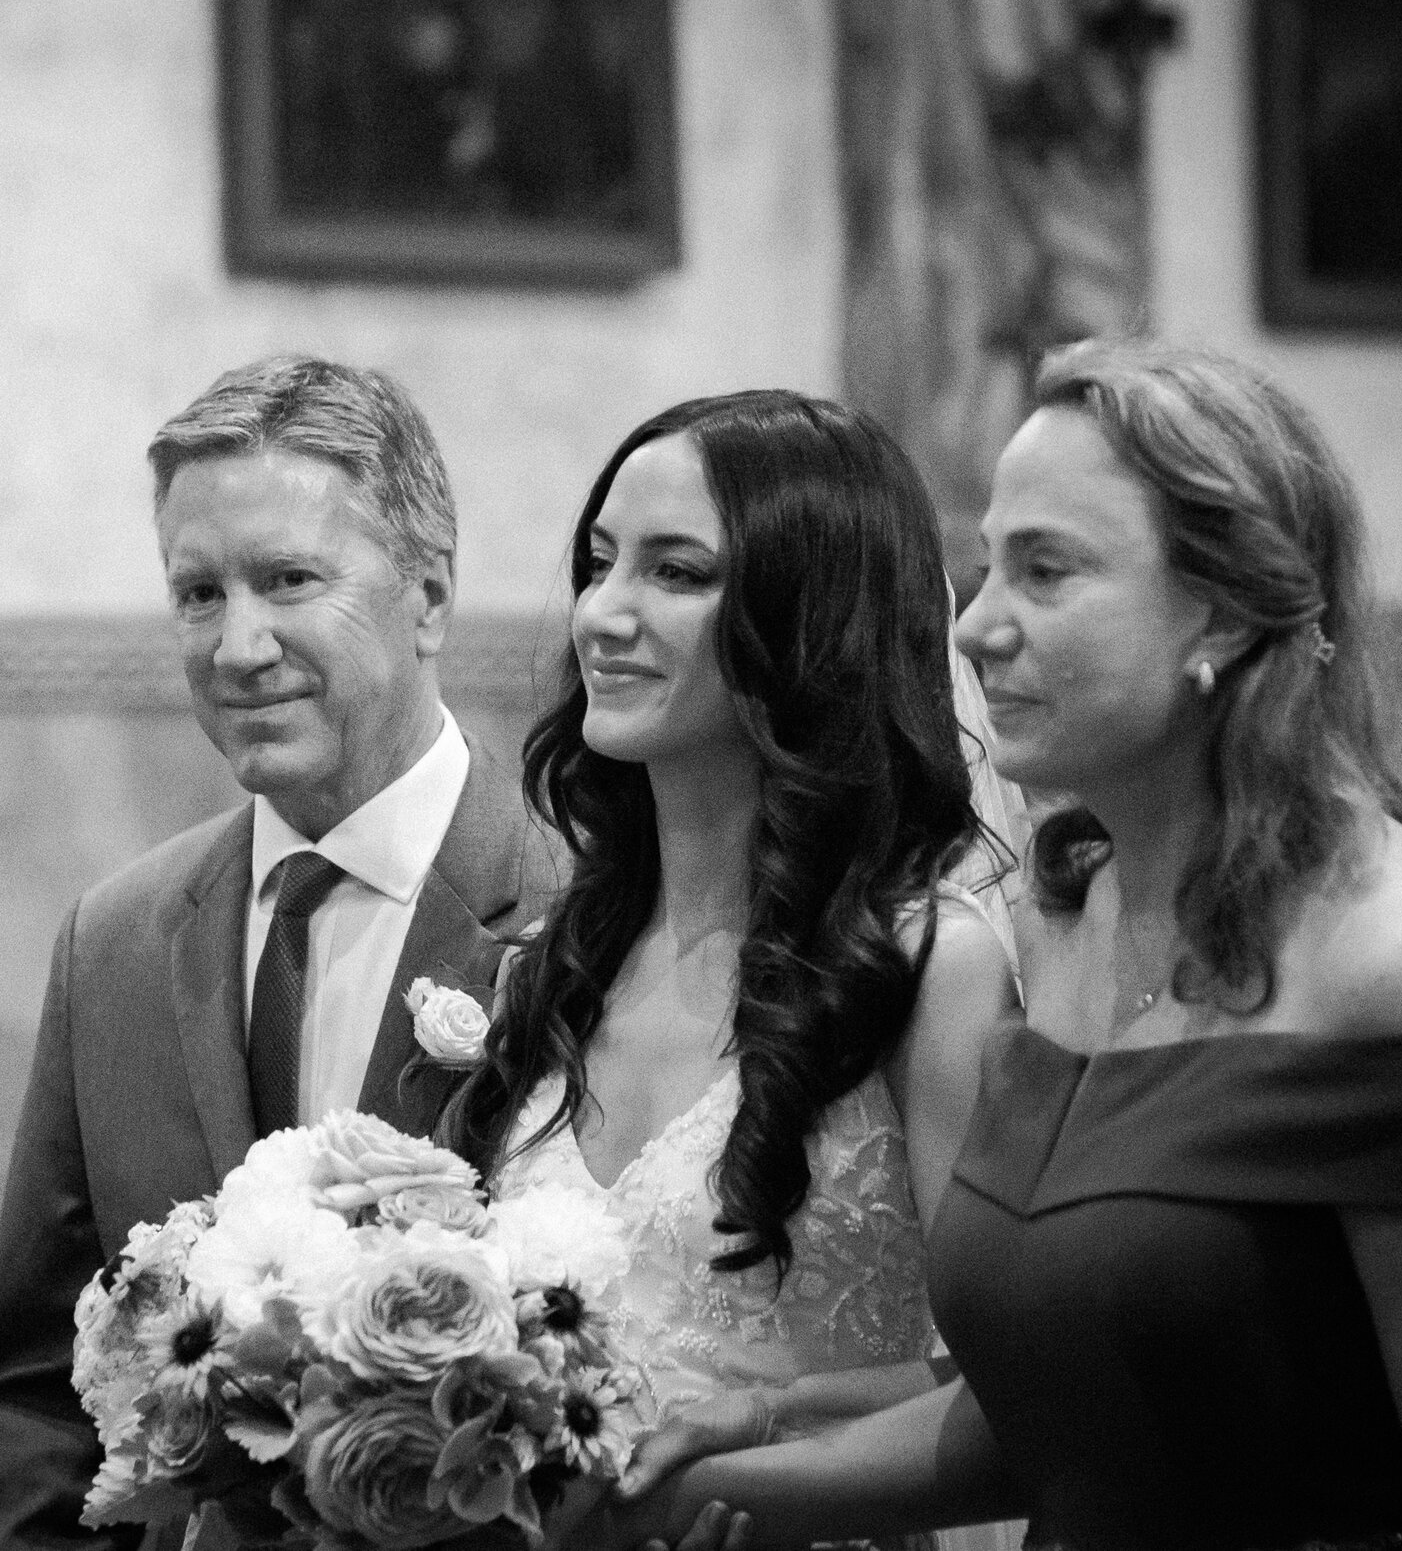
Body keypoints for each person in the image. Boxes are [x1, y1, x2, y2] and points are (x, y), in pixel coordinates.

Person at [611, 339, 1402, 1551]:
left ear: (1223, 611)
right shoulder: (1066, 911)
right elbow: (1046, 1427)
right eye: (983, 570)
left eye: (1046, 571)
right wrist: (687, 1471)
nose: (974, 629)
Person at [0, 355, 562, 1551]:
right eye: (197, 593)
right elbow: (33, 1392)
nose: (237, 646)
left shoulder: (578, 911)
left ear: (429, 595)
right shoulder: (116, 941)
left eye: (287, 580)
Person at [437, 390, 1022, 1535]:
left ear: (807, 619)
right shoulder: (553, 966)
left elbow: (1013, 1391)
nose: (605, 612)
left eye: (675, 571)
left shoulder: (928, 968)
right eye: (600, 563)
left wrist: (755, 1442)